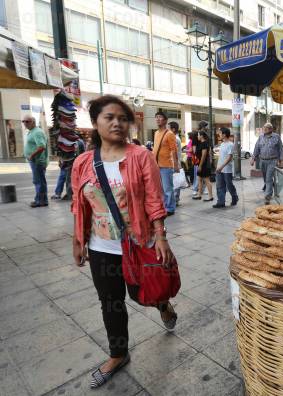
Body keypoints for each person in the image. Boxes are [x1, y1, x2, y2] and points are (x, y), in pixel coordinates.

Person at [71, 95, 178, 389]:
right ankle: (118, 354)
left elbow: (155, 199)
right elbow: (79, 205)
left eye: (123, 118)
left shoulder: (140, 157)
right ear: (96, 122)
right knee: (110, 302)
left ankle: (163, 304)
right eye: (109, 117)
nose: (117, 123)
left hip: (138, 242)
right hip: (100, 247)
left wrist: (161, 237)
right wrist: (78, 241)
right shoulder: (82, 163)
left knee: (143, 293)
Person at [153, 111, 179, 216]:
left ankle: (170, 208)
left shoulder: (169, 134)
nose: (158, 119)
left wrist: (176, 165)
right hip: (156, 165)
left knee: (168, 188)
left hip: (166, 165)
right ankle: (164, 206)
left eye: (160, 117)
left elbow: (174, 150)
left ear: (165, 120)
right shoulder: (156, 133)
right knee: (160, 189)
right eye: (156, 117)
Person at [251, 122, 283, 204]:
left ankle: (268, 196)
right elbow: (256, 148)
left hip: (273, 160)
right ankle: (273, 188)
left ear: (271, 129)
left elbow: (280, 149)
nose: (264, 129)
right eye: (264, 128)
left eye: (266, 128)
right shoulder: (261, 137)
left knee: (268, 178)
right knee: (265, 178)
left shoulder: (276, 137)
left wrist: (281, 160)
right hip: (262, 161)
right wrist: (253, 158)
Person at [23, 115, 49, 208]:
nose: (25, 123)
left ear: (33, 122)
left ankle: (40, 201)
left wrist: (31, 155)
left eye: (27, 121)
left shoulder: (37, 132)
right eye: (23, 121)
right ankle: (42, 200)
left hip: (37, 161)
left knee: (39, 182)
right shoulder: (32, 132)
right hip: (35, 161)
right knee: (39, 181)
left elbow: (41, 146)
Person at [213, 127, 239, 208]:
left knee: (229, 185)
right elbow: (221, 157)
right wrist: (218, 167)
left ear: (224, 134)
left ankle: (234, 196)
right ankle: (221, 202)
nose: (219, 134)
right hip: (219, 169)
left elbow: (229, 158)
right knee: (219, 186)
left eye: (220, 133)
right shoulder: (222, 144)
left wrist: (221, 167)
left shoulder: (230, 144)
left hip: (227, 170)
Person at [168, 121, 183, 206]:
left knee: (176, 182)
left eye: (168, 128)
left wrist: (176, 164)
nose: (167, 130)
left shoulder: (175, 139)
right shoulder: (174, 138)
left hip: (175, 163)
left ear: (173, 129)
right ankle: (175, 199)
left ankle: (175, 200)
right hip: (173, 162)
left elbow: (174, 153)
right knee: (174, 181)